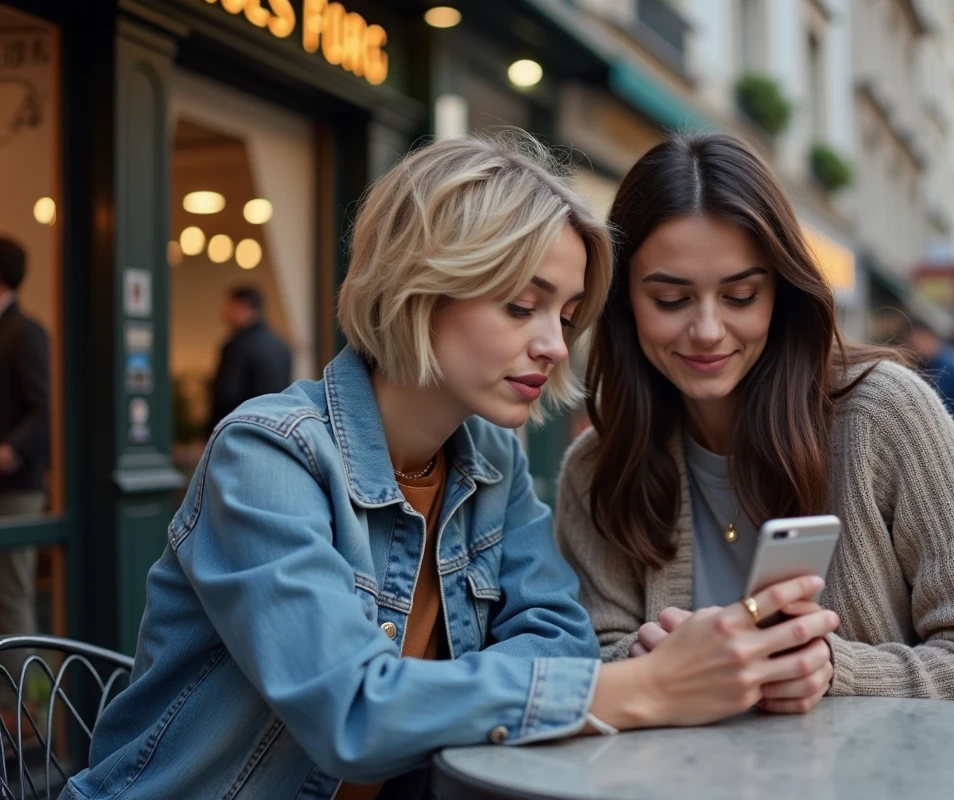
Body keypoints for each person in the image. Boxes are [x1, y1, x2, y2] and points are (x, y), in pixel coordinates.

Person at [64, 134, 841, 800]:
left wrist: (447, 696)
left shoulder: (489, 460)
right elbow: (354, 716)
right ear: (419, 287)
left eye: (566, 316)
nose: (553, 344)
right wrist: (640, 688)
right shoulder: (269, 456)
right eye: (519, 306)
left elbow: (561, 638)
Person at [556, 133, 954, 712]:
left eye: (740, 296)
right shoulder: (596, 469)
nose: (708, 329)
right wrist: (649, 666)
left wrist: (837, 668)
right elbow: (588, 659)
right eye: (670, 300)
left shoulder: (883, 416)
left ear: (781, 295)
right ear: (623, 303)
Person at [0, 237, 50, 691]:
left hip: (17, 487)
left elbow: (44, 409)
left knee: (13, 595)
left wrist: (8, 450)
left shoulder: (24, 331)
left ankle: (27, 711)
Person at [206, 284, 293, 433]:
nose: (224, 312)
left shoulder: (237, 346)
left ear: (243, 306)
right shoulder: (282, 344)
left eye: (229, 306)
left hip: (240, 431)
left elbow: (226, 395)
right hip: (274, 429)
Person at [905, 320, 954, 451]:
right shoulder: (942, 362)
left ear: (929, 338)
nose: (914, 349)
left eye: (915, 343)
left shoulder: (947, 366)